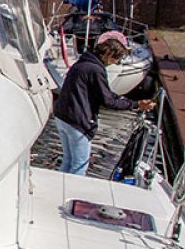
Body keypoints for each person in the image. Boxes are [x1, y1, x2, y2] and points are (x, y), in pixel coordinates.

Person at [53, 36, 155, 175]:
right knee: (79, 164)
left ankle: (60, 184)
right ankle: (73, 187)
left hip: (62, 117)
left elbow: (103, 93)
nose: (116, 62)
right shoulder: (95, 70)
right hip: (78, 121)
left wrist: (122, 99)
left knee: (68, 160)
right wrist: (136, 104)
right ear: (108, 55)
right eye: (116, 58)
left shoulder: (83, 62)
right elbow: (108, 101)